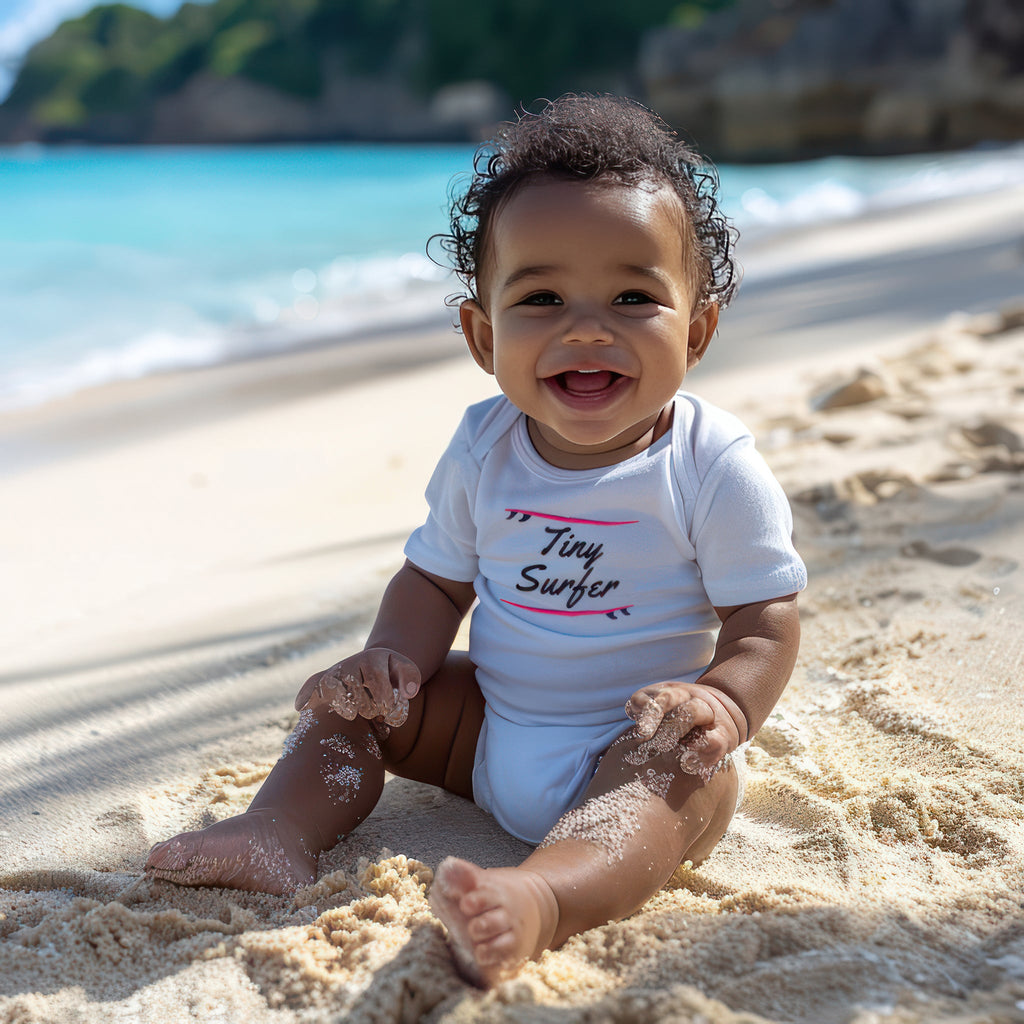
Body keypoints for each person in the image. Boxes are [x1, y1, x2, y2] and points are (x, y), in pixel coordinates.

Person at [146, 94, 806, 987]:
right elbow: (434, 582)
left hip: (630, 741)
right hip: (486, 730)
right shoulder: (483, 446)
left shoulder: (708, 464)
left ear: (696, 329)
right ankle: (280, 829)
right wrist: (389, 659)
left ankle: (546, 896)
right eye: (541, 296)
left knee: (679, 774)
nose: (586, 325)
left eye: (632, 296)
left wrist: (726, 703)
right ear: (481, 333)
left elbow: (765, 617)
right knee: (348, 703)